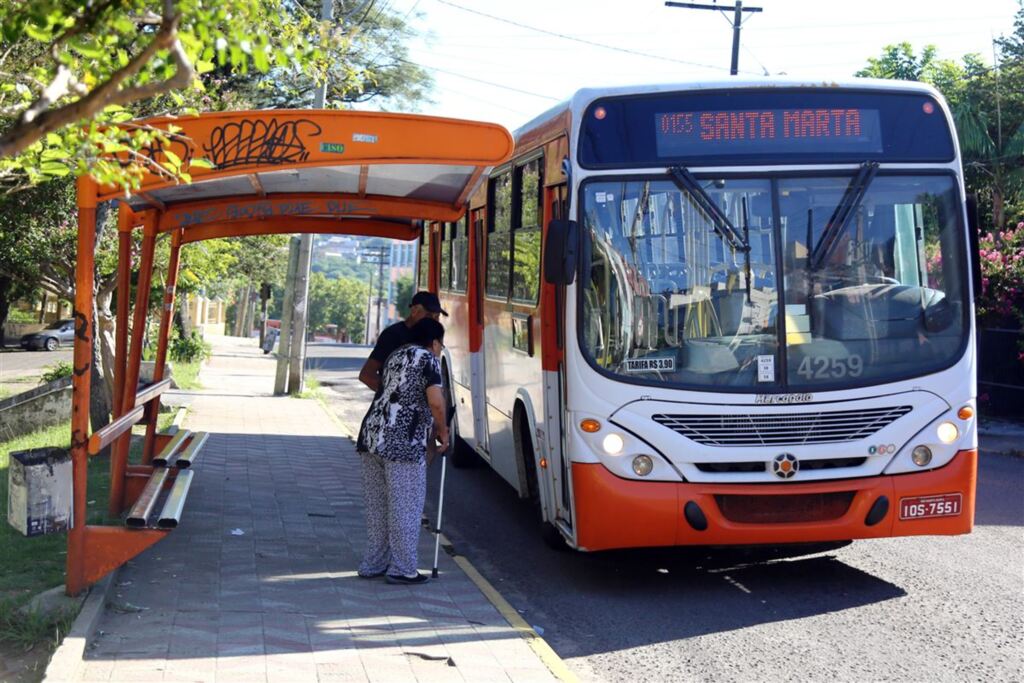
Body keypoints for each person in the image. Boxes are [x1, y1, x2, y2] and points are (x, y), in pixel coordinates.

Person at [356, 318, 450, 584]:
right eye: (440, 345)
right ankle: (402, 569)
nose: (439, 350)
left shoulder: (396, 355)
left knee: (378, 506)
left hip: (372, 436)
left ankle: (373, 564)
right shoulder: (428, 359)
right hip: (402, 443)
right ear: (433, 342)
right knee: (405, 506)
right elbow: (436, 401)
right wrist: (442, 430)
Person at [358, 291, 448, 394]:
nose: (433, 321)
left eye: (436, 317)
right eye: (428, 315)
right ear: (414, 311)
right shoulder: (393, 335)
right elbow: (366, 375)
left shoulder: (431, 337)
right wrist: (396, 397)